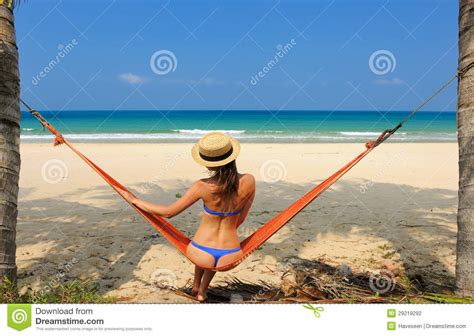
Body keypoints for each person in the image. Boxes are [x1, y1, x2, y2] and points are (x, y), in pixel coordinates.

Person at [122, 132, 255, 302]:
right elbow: (241, 219)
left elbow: (169, 212)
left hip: (200, 252)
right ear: (232, 157)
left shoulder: (202, 186)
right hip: (231, 254)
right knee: (211, 259)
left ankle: (197, 287)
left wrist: (135, 200)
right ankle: (201, 290)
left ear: (209, 164)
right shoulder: (250, 181)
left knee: (201, 245)